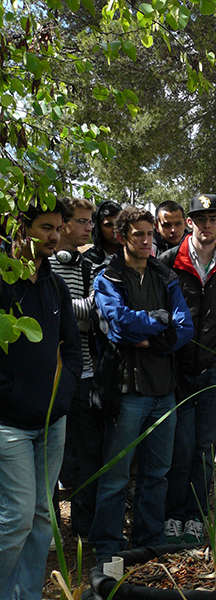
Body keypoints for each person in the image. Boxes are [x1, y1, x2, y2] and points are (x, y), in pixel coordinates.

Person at [89, 207, 193, 561]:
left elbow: (184, 327)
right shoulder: (108, 278)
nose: (148, 240)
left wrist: (152, 336)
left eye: (150, 233)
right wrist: (159, 321)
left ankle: (149, 540)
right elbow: (117, 326)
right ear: (121, 237)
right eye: (139, 234)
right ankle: (108, 546)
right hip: (126, 390)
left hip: (164, 391)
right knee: (116, 476)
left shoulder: (165, 276)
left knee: (157, 474)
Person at [0, 200, 82, 600]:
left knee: (41, 517)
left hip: (52, 422)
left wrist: (61, 400)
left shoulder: (55, 284)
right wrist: (10, 394)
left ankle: (26, 595)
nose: (53, 236)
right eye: (45, 227)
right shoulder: (2, 280)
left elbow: (72, 348)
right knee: (14, 519)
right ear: (20, 228)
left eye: (57, 227)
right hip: (8, 425)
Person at [160, 193, 216, 544]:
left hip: (213, 373)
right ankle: (172, 514)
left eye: (213, 218)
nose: (206, 224)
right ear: (190, 222)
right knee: (178, 447)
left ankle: (197, 514)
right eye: (200, 218)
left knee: (204, 447)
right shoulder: (168, 261)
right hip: (177, 373)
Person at [49, 196, 104, 540]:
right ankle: (50, 527)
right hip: (49, 378)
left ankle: (84, 529)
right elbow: (52, 313)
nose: (89, 228)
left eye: (91, 221)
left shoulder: (88, 266)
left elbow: (95, 314)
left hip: (84, 373)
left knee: (88, 456)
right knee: (49, 460)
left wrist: (61, 310)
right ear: (64, 223)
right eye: (82, 221)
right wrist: (71, 312)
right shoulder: (46, 265)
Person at [84, 200, 122, 272]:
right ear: (98, 228)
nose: (115, 230)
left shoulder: (132, 257)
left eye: (118, 224)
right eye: (108, 225)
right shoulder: (88, 261)